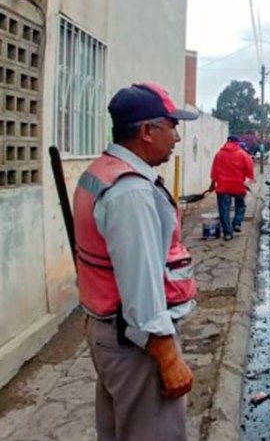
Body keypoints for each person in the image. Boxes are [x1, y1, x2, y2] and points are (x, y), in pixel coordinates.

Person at [72, 83, 198, 440]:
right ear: (147, 131)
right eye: (172, 126)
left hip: (110, 331)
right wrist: (168, 358)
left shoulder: (102, 171)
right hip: (136, 345)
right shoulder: (132, 193)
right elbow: (141, 288)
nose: (176, 137)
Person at [208, 135, 255, 241]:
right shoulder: (243, 155)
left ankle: (227, 233)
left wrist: (212, 185)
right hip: (238, 186)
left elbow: (214, 171)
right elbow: (250, 169)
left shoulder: (219, 154)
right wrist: (248, 180)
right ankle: (237, 223)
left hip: (223, 186)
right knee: (241, 205)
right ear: (237, 143)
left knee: (224, 210)